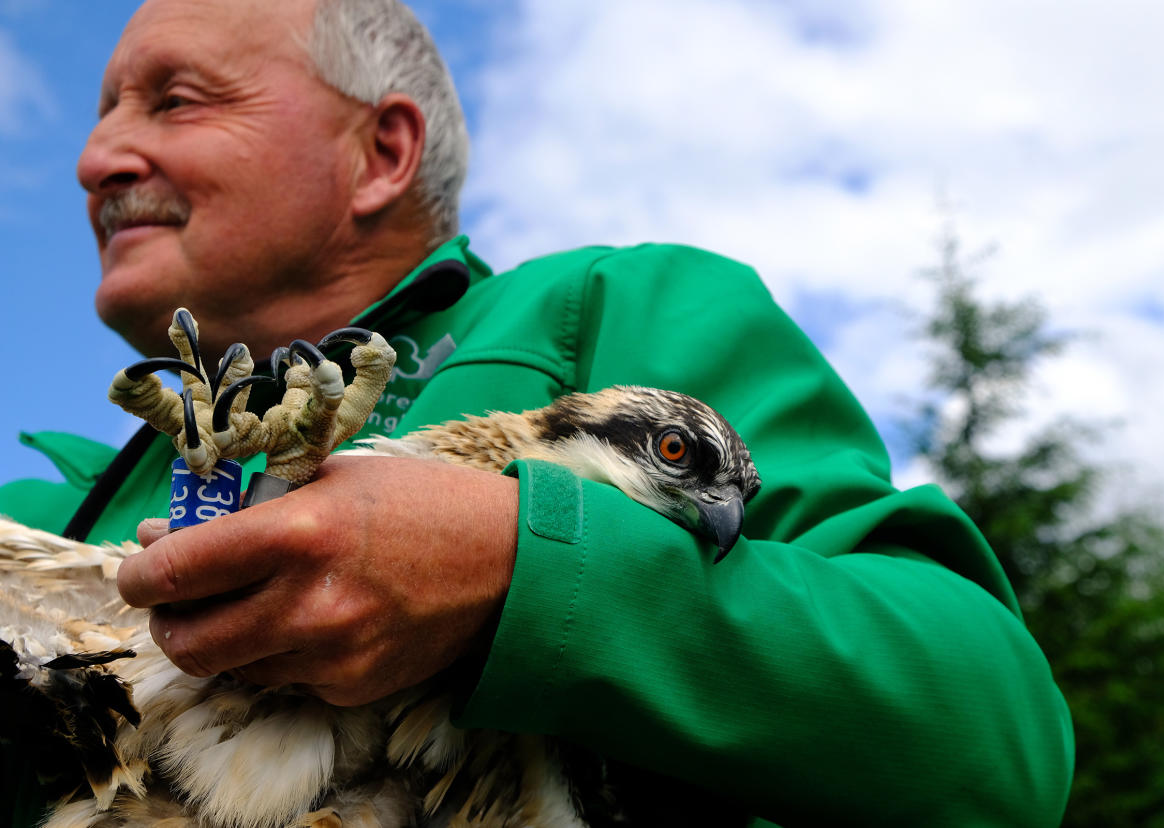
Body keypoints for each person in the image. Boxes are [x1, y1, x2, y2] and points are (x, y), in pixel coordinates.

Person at [0, 0, 1074, 825]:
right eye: (100, 116)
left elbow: (991, 739)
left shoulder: (620, 315)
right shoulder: (55, 500)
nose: (100, 160)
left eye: (175, 101)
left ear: (381, 154)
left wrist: (524, 568)